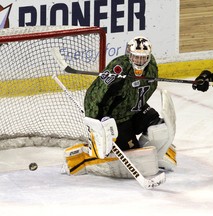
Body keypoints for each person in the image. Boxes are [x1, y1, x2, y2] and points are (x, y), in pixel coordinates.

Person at [62, 36, 177, 178]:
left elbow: (149, 87)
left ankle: (157, 154)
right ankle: (83, 158)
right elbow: (94, 94)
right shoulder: (118, 68)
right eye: (135, 57)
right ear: (129, 55)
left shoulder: (151, 65)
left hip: (135, 110)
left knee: (159, 127)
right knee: (130, 150)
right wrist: (95, 122)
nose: (139, 61)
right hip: (117, 118)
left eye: (143, 58)